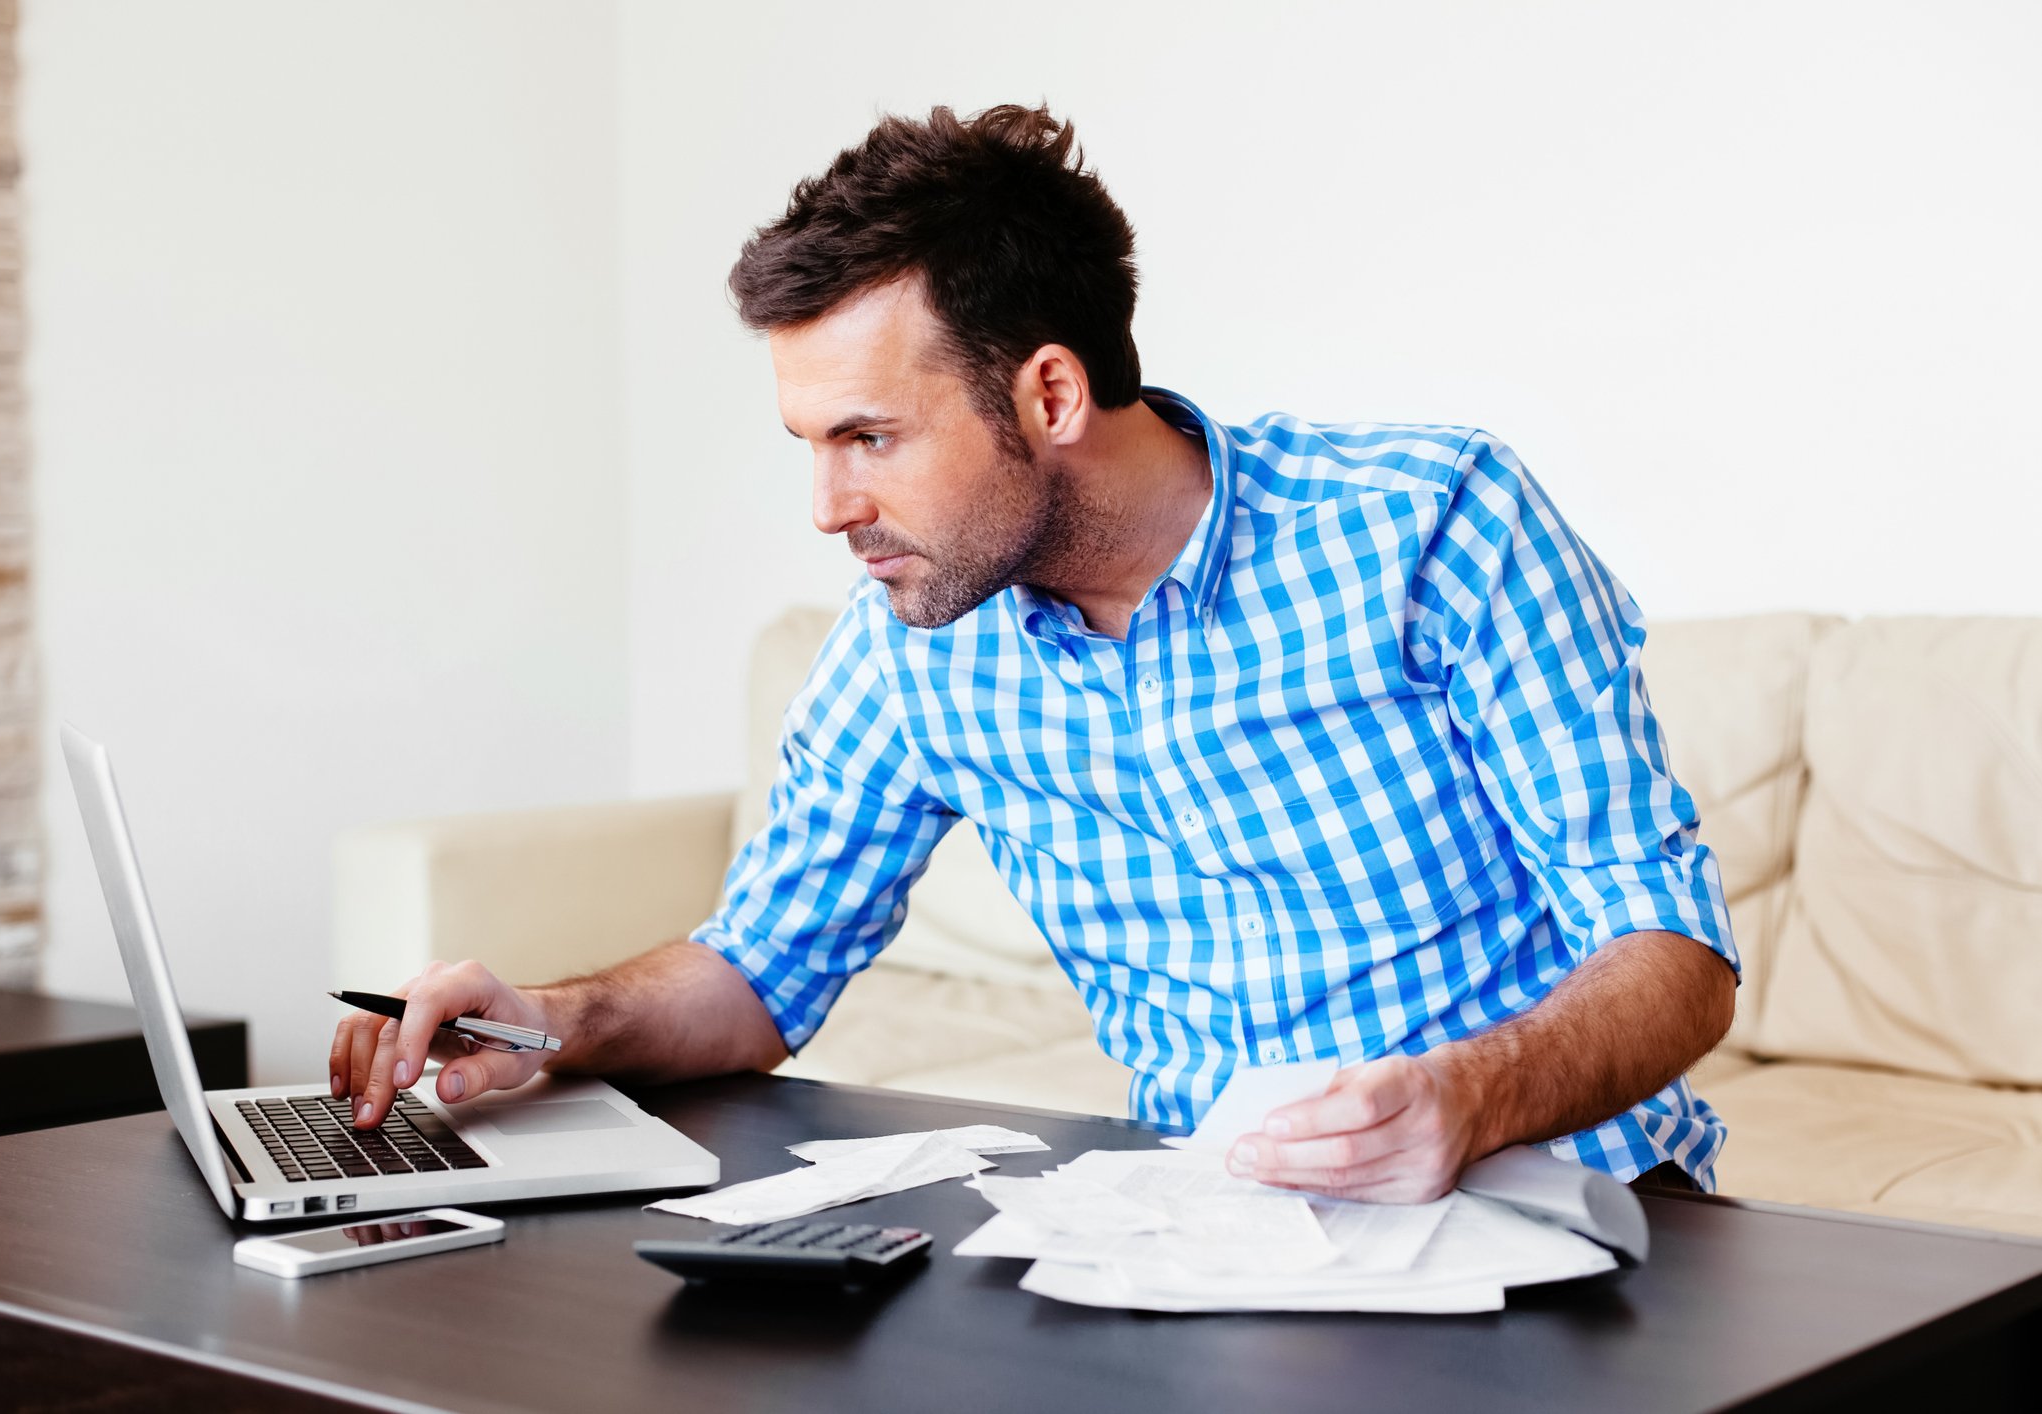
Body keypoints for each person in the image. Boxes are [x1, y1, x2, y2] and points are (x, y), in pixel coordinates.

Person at [332, 103, 1738, 1202]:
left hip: (1569, 1202)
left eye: (867, 438)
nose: (828, 509)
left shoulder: (1433, 522)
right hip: (1217, 1234)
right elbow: (761, 969)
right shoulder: (912, 637)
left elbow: (1671, 946)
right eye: (810, 447)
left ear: (1048, 391)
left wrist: (1466, 1100)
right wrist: (548, 1019)